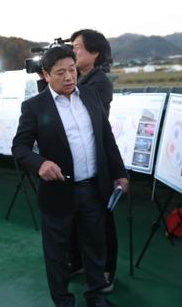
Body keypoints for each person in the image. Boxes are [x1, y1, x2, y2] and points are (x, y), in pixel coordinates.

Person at [11, 45, 128, 307]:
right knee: (57, 254)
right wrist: (40, 163)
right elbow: (19, 148)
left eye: (72, 70)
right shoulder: (34, 106)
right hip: (58, 192)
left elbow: (106, 138)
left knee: (95, 248)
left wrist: (119, 173)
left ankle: (96, 297)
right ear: (46, 75)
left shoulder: (90, 95)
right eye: (60, 72)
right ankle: (63, 301)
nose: (68, 77)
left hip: (93, 189)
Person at [69, 29, 118, 291]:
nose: (73, 51)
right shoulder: (77, 78)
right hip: (77, 160)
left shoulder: (100, 83)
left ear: (95, 52)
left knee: (102, 221)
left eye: (77, 47)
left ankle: (107, 271)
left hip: (98, 161)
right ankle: (77, 261)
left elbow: (86, 117)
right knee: (76, 217)